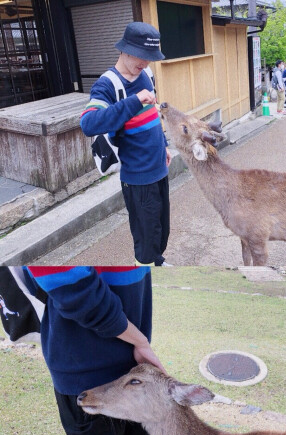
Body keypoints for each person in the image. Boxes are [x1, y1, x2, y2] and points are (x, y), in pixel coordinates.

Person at [25, 266, 167, 435]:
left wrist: (138, 343)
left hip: (133, 365)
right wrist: (139, 340)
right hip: (85, 369)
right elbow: (72, 288)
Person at [80, 22, 172, 267]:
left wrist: (163, 144)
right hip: (139, 178)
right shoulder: (107, 84)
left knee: (161, 231)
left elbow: (153, 113)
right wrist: (133, 101)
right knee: (145, 238)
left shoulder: (147, 74)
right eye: (142, 57)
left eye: (150, 58)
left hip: (159, 168)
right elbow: (88, 123)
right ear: (126, 50)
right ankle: (144, 273)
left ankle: (158, 262)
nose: (145, 64)